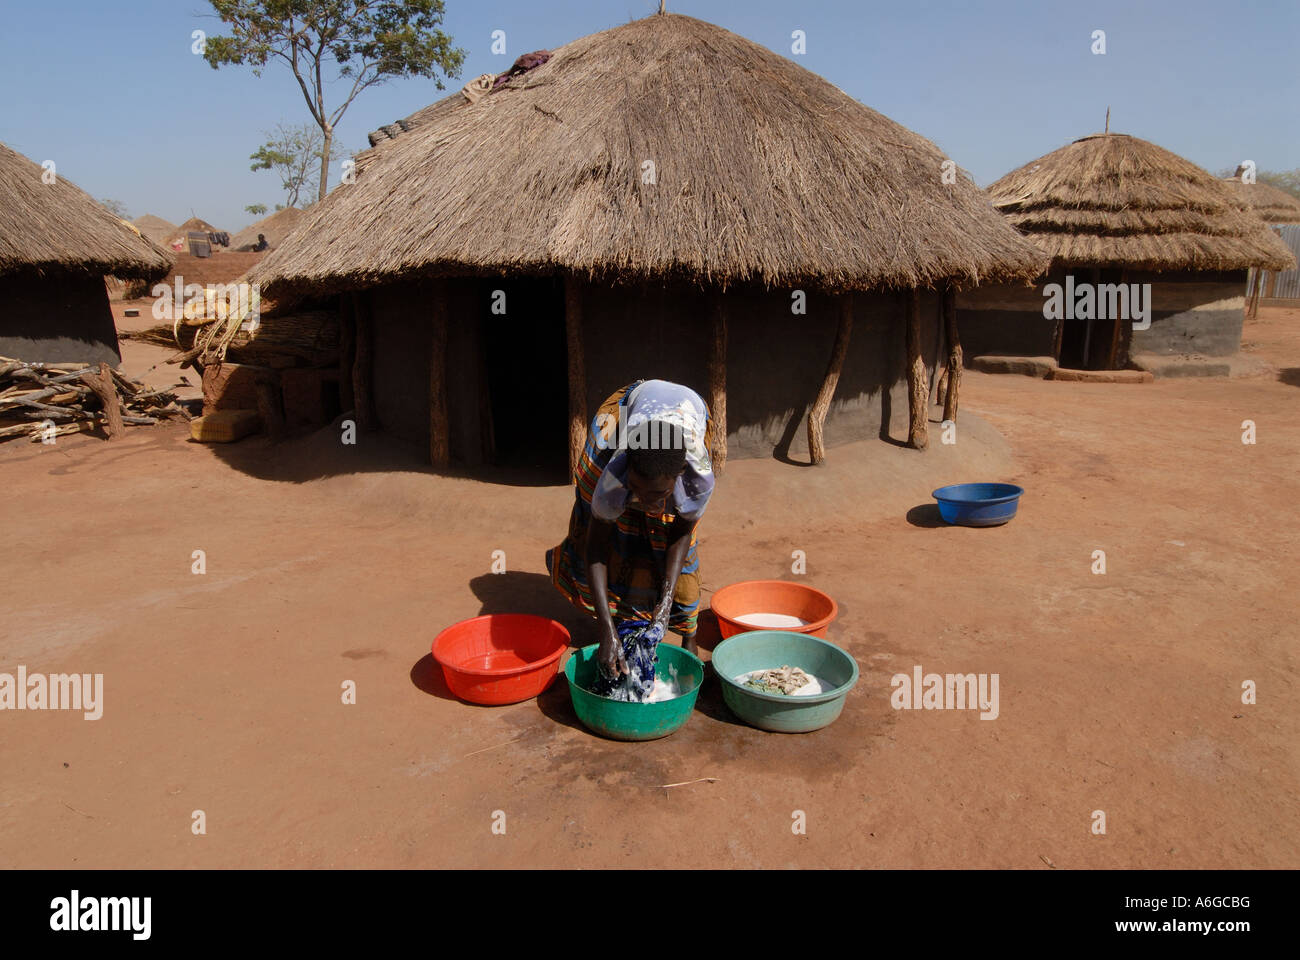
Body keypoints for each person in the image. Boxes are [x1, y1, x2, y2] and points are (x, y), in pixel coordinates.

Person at [546, 379, 715, 681]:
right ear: (628, 472)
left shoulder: (697, 478)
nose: (647, 503)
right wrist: (606, 631)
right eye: (636, 489)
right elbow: (595, 548)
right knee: (614, 525)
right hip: (632, 409)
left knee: (674, 546)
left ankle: (689, 637)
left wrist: (664, 608)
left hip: (688, 409)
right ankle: (619, 620)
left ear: (677, 478)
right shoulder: (614, 474)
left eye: (659, 495)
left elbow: (681, 535)